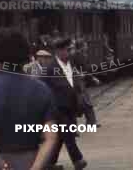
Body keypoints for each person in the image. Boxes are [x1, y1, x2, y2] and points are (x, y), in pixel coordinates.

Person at [0, 27, 58, 170]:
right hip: (31, 160)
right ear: (26, 55)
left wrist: (3, 166)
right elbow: (50, 138)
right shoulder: (42, 90)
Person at [42, 34, 88, 170]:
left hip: (70, 107)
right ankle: (78, 160)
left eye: (71, 49)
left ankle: (49, 163)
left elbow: (74, 81)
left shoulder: (71, 64)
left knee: (62, 136)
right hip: (57, 108)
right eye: (68, 50)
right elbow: (42, 87)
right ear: (59, 51)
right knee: (68, 133)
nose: (71, 52)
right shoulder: (50, 68)